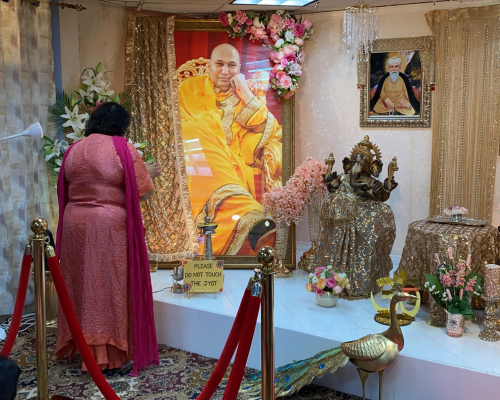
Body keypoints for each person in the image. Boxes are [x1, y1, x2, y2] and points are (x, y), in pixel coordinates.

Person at [54, 102, 159, 374]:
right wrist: (148, 173)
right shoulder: (122, 148)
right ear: (121, 126)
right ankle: (109, 355)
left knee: (81, 285)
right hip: (107, 226)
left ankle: (81, 346)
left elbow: (65, 186)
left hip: (75, 223)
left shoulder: (74, 149)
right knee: (108, 287)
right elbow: (144, 192)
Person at [178, 43, 280, 256]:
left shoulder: (243, 95)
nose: (225, 71)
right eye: (219, 64)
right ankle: (248, 213)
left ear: (239, 68)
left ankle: (245, 220)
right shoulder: (189, 88)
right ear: (209, 66)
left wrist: (243, 89)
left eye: (231, 65)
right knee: (194, 131)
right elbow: (175, 124)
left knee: (211, 148)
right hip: (196, 153)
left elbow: (266, 127)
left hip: (229, 159)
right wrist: (201, 131)